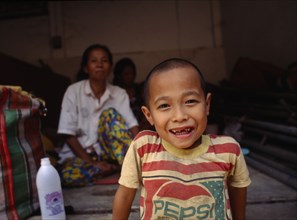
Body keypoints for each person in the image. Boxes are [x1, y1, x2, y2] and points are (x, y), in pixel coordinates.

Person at [112, 58, 251, 219]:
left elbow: (238, 190)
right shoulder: (144, 148)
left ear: (207, 105)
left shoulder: (228, 150)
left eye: (190, 101)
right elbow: (124, 196)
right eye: (164, 105)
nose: (179, 116)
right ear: (149, 115)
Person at [57, 44, 139, 187]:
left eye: (104, 61)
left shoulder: (119, 93)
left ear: (110, 67)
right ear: (85, 67)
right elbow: (67, 133)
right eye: (94, 61)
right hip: (80, 156)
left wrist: (142, 153)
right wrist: (92, 162)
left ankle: (131, 167)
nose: (99, 65)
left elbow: (132, 126)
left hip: (108, 153)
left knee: (110, 115)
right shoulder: (73, 91)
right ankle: (112, 169)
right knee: (68, 175)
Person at [113, 57, 150, 130]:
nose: (130, 76)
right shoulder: (116, 93)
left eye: (132, 73)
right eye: (126, 74)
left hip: (144, 126)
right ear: (119, 75)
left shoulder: (139, 89)